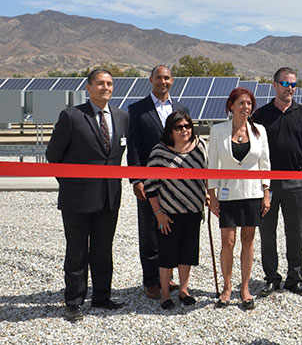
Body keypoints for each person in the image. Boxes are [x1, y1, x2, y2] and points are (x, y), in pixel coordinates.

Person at [45, 69, 129, 322]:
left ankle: (102, 296)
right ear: (89, 88)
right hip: (77, 199)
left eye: (109, 83)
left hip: (109, 197)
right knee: (77, 251)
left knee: (103, 250)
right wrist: (70, 184)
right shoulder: (72, 116)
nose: (106, 87)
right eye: (100, 83)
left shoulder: (122, 117)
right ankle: (73, 301)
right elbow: (53, 155)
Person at [127, 65, 190, 299]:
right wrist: (136, 179)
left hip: (176, 182)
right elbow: (133, 146)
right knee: (150, 231)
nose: (162, 82)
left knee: (171, 229)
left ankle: (167, 276)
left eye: (166, 78)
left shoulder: (181, 108)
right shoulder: (137, 109)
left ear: (172, 81)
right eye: (158, 78)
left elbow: (187, 143)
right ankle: (151, 280)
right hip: (149, 180)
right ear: (150, 80)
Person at [251, 67, 302, 297]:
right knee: (267, 232)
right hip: (267, 182)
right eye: (286, 84)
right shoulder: (260, 115)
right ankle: (271, 278)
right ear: (275, 85)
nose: (290, 89)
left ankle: (295, 279)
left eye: (293, 85)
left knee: (296, 233)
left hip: (297, 181)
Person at [207, 87, 270, 310]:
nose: (246, 107)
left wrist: (266, 192)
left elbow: (265, 164)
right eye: (241, 103)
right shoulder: (218, 131)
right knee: (228, 241)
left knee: (248, 239)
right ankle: (226, 288)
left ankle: (244, 288)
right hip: (228, 194)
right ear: (231, 105)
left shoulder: (260, 130)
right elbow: (212, 164)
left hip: (253, 193)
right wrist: (212, 194)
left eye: (249, 103)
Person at [144, 111, 207, 310]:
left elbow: (207, 174)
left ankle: (184, 290)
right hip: (168, 214)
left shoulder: (200, 146)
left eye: (187, 126)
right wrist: (158, 214)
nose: (184, 130)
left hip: (193, 211)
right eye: (178, 127)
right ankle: (165, 294)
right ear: (170, 131)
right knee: (167, 256)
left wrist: (208, 195)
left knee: (187, 254)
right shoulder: (159, 151)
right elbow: (150, 186)